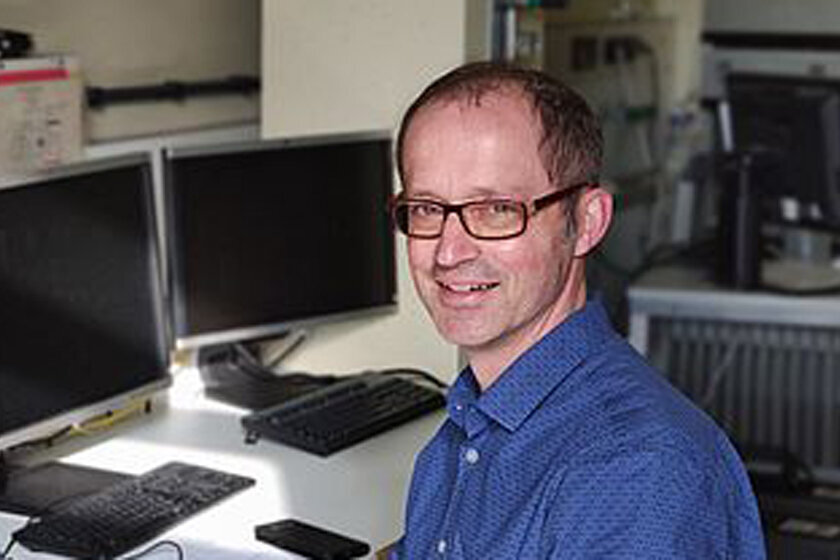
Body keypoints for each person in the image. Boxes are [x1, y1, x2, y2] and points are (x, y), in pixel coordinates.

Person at [387, 61, 766, 559]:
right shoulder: (466, 427)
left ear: (587, 222)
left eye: (497, 210)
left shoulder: (632, 473)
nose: (448, 252)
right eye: (427, 209)